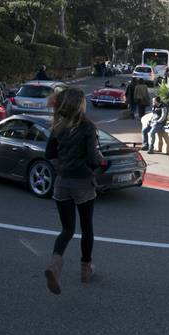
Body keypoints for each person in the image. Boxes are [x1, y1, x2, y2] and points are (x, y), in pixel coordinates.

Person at [43, 86, 103, 295]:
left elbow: (49, 154)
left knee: (67, 230)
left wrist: (63, 166)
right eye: (84, 101)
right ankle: (86, 270)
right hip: (83, 185)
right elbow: (92, 158)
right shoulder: (87, 127)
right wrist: (100, 163)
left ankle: (55, 264)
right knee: (87, 228)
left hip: (61, 184)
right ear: (79, 104)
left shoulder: (57, 127)